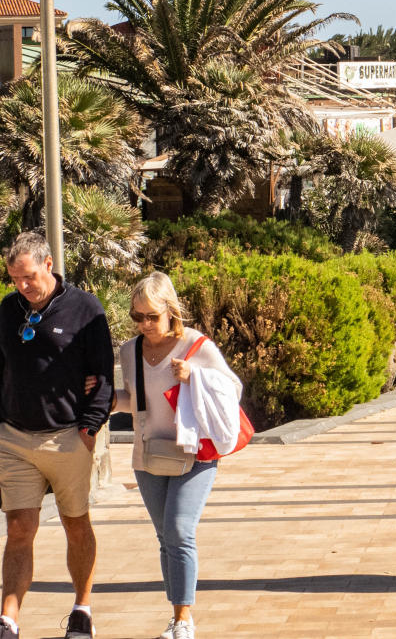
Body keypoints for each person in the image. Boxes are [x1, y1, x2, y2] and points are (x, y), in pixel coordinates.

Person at [110, 272, 242, 639]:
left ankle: (185, 619)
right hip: (150, 454)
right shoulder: (130, 350)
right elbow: (135, 402)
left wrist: (194, 377)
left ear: (170, 310)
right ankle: (175, 616)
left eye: (152, 316)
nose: (145, 324)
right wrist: (108, 401)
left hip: (195, 453)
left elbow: (232, 391)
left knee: (180, 530)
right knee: (164, 536)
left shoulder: (197, 347)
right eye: (137, 317)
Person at [0, 233, 114, 639]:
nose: (23, 286)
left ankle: (82, 609)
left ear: (48, 265)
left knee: (75, 524)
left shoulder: (85, 308)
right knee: (18, 528)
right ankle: (9, 619)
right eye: (15, 279)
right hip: (14, 438)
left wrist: (88, 429)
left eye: (29, 276)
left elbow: (102, 377)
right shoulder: (8, 310)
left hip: (68, 437)